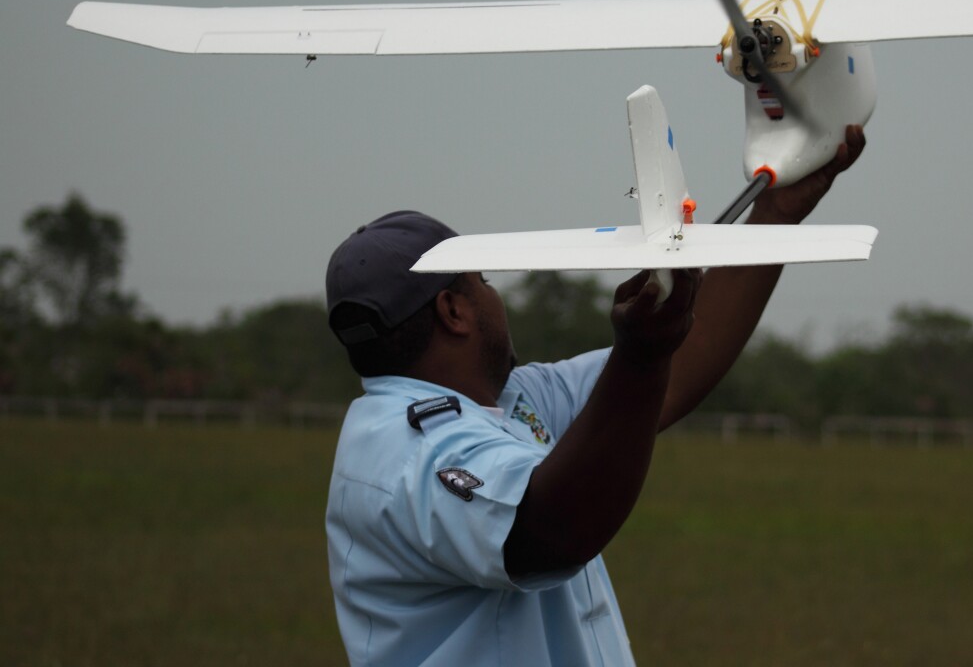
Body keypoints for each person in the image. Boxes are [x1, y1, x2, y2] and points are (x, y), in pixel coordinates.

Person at [324, 127, 865, 666]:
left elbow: (668, 373)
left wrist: (775, 214)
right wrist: (642, 354)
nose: (494, 295)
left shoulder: (509, 402)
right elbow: (548, 534)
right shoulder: (407, 450)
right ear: (454, 311)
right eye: (483, 281)